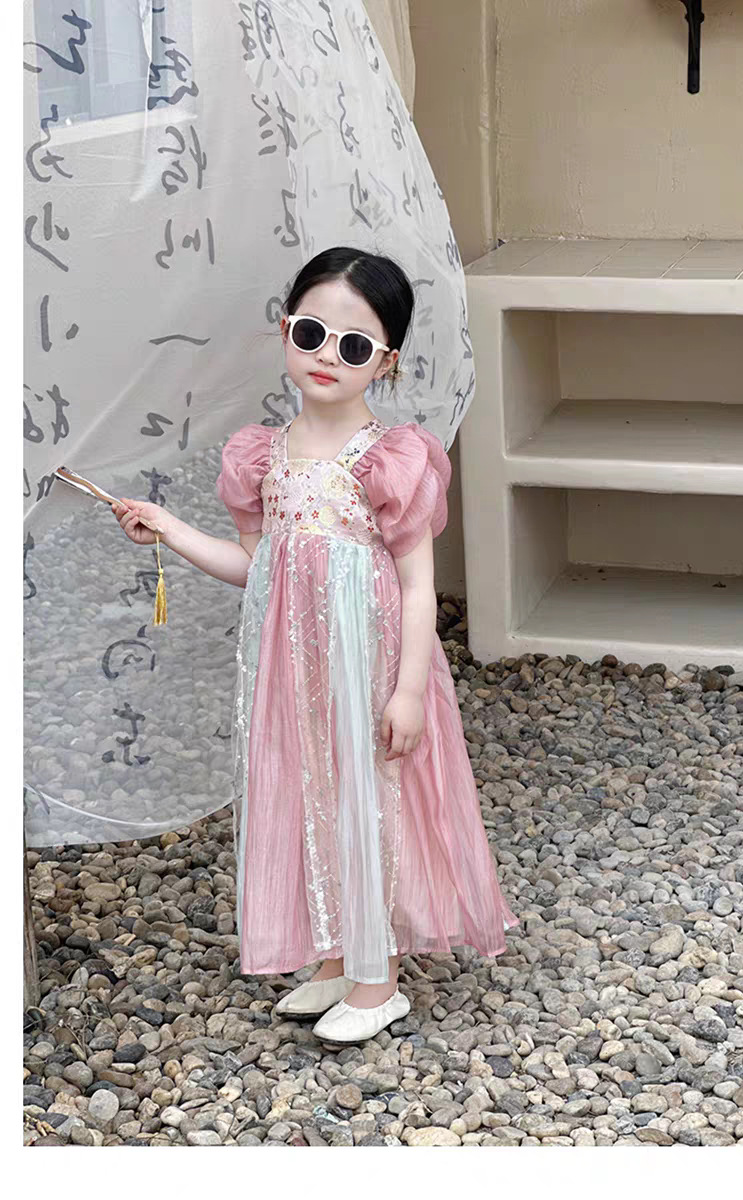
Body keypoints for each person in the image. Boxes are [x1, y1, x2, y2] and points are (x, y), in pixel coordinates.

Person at [112, 245, 519, 1043]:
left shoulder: (389, 459)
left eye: (355, 345)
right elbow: (257, 567)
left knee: (370, 796)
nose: (328, 356)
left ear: (387, 362)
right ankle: (335, 957)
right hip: (294, 670)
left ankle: (379, 979)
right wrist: (168, 529)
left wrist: (408, 690)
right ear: (285, 331)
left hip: (367, 665)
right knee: (313, 795)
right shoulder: (261, 456)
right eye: (311, 333)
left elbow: (415, 585)